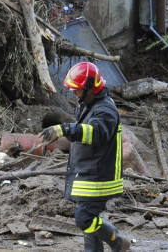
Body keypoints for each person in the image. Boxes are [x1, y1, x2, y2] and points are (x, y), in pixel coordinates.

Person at [39, 62, 130, 252]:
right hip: (90, 171)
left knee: (85, 218)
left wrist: (64, 129)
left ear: (90, 88)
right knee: (90, 219)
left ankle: (117, 241)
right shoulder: (89, 103)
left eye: (77, 90)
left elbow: (95, 133)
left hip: (100, 176)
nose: (74, 94)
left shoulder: (105, 110)